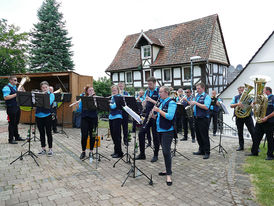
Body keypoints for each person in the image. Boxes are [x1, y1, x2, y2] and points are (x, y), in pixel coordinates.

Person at [153, 86, 177, 186]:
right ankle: (167, 169)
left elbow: (169, 116)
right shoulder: (162, 102)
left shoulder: (171, 102)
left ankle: (169, 174)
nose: (159, 94)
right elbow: (161, 115)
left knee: (166, 151)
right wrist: (155, 115)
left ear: (166, 92)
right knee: (164, 151)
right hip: (160, 130)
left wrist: (158, 111)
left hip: (167, 131)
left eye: (161, 92)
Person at [135, 77, 160, 162]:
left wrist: (151, 100)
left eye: (150, 84)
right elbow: (146, 103)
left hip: (156, 116)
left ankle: (155, 155)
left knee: (155, 136)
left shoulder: (159, 91)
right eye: (148, 84)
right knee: (141, 133)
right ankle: (142, 154)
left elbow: (161, 103)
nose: (149, 86)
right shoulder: (147, 91)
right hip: (148, 116)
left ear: (155, 83)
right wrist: (144, 103)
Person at [247, 87, 274, 160]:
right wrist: (253, 105)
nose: (262, 92)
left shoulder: (273, 98)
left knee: (270, 139)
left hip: (269, 122)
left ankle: (270, 155)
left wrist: (267, 117)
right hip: (260, 121)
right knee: (256, 136)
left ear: (268, 91)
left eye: (263, 91)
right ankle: (254, 152)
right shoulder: (261, 99)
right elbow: (257, 109)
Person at [190, 83, 211, 159]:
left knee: (204, 135)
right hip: (196, 118)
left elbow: (206, 107)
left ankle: (207, 152)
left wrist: (196, 103)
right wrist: (191, 104)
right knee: (198, 135)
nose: (197, 90)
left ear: (203, 88)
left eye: (198, 88)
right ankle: (201, 150)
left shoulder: (206, 96)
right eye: (196, 88)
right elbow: (195, 105)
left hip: (203, 118)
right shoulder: (197, 96)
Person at [230, 86, 255, 151]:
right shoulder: (235, 97)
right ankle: (241, 146)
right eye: (239, 90)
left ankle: (256, 146)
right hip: (239, 117)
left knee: (252, 131)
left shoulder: (249, 97)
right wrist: (237, 104)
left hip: (247, 116)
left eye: (242, 90)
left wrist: (252, 105)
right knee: (240, 132)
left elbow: (253, 104)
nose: (241, 92)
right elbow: (231, 105)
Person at [2, 75, 25, 144]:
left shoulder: (15, 87)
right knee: (12, 123)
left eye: (16, 80)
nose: (16, 81)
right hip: (11, 107)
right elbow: (6, 97)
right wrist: (16, 94)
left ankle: (17, 137)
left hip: (17, 107)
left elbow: (21, 94)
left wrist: (22, 90)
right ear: (10, 80)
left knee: (16, 123)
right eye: (15, 80)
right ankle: (10, 139)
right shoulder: (6, 87)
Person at [78, 86, 98, 160]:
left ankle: (91, 151)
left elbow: (98, 107)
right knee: (84, 135)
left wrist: (95, 100)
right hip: (85, 118)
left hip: (93, 119)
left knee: (93, 135)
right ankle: (83, 151)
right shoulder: (83, 98)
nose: (91, 91)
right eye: (90, 90)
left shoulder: (96, 98)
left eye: (92, 90)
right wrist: (79, 104)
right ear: (86, 91)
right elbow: (79, 109)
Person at [36, 81, 55, 156]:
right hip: (38, 115)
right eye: (43, 88)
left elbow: (49, 103)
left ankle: (50, 149)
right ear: (41, 88)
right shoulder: (37, 95)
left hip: (47, 115)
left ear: (48, 87)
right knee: (41, 133)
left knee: (48, 133)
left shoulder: (51, 95)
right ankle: (43, 148)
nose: (44, 89)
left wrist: (44, 95)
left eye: (46, 87)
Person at [109, 85, 123, 158]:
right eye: (112, 90)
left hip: (117, 117)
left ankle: (119, 152)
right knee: (113, 135)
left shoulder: (118, 97)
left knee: (117, 135)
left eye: (115, 90)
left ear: (118, 90)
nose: (113, 92)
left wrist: (108, 103)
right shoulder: (112, 97)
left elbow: (113, 106)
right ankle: (116, 150)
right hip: (111, 117)